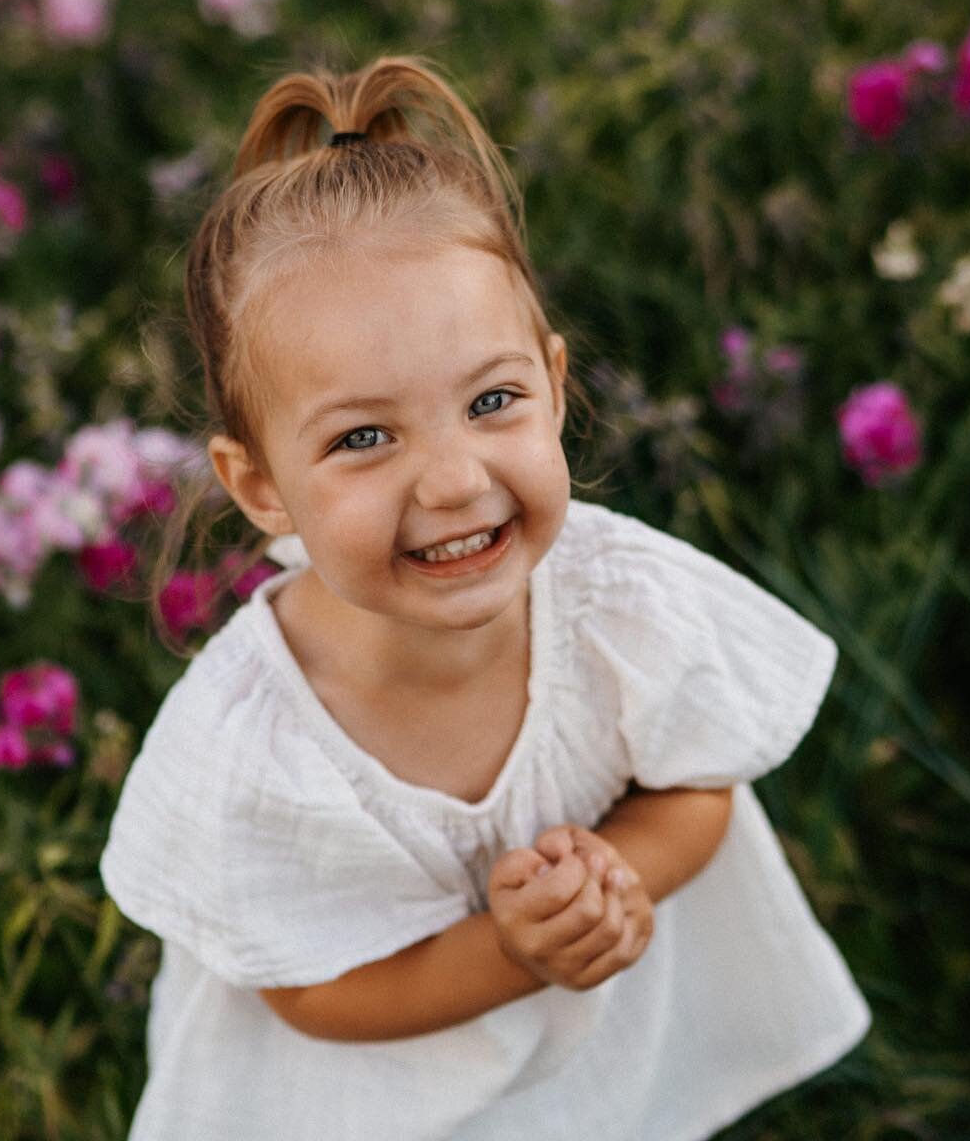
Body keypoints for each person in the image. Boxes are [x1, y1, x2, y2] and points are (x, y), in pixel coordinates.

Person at [100, 55, 872, 1140]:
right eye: (364, 438)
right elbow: (308, 993)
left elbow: (701, 786)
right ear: (259, 484)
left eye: (492, 400)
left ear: (557, 387)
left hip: (587, 1068)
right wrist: (509, 952)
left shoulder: (614, 601)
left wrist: (614, 874)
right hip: (361, 1101)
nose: (456, 479)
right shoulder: (255, 744)